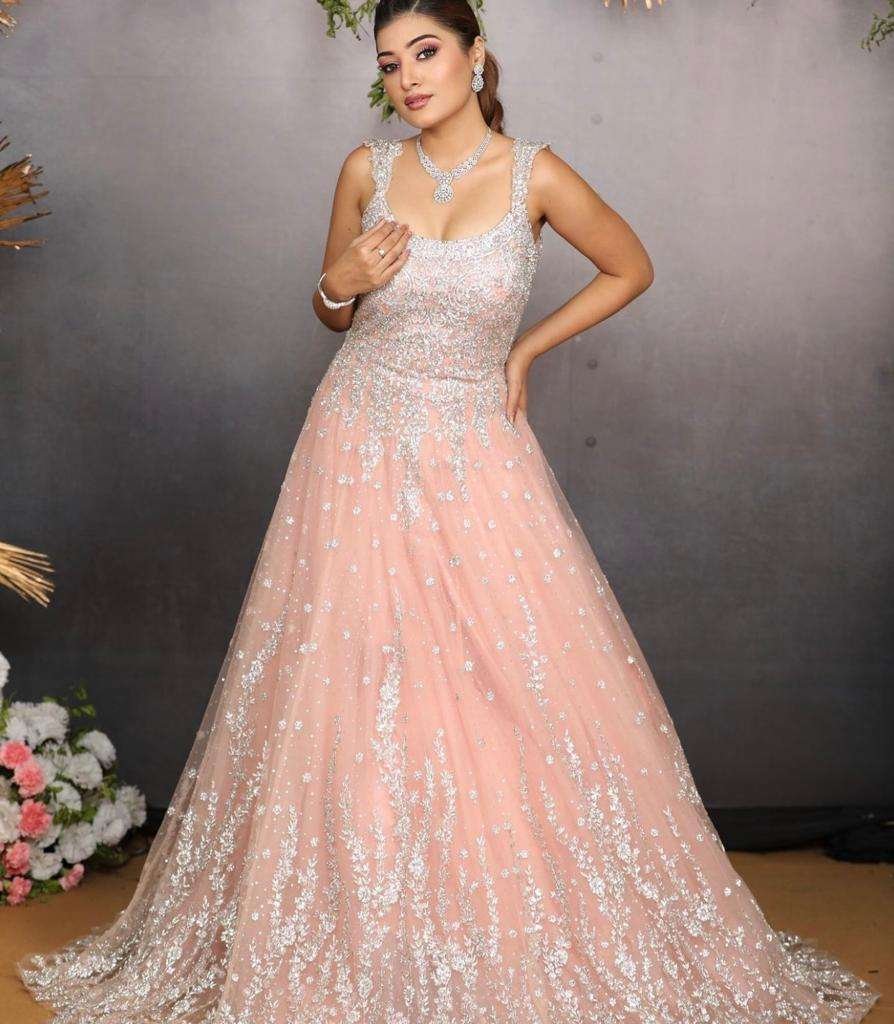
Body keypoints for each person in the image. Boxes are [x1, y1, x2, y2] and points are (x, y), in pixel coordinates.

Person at [16, 2, 882, 1022]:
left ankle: (477, 920)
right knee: (350, 680)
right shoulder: (365, 170)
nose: (410, 78)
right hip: (357, 442)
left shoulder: (535, 175)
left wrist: (525, 350)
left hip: (475, 448)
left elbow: (632, 266)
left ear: (477, 56)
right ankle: (361, 918)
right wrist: (335, 283)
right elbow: (333, 310)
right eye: (391, 63)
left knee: (498, 682)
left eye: (426, 52)